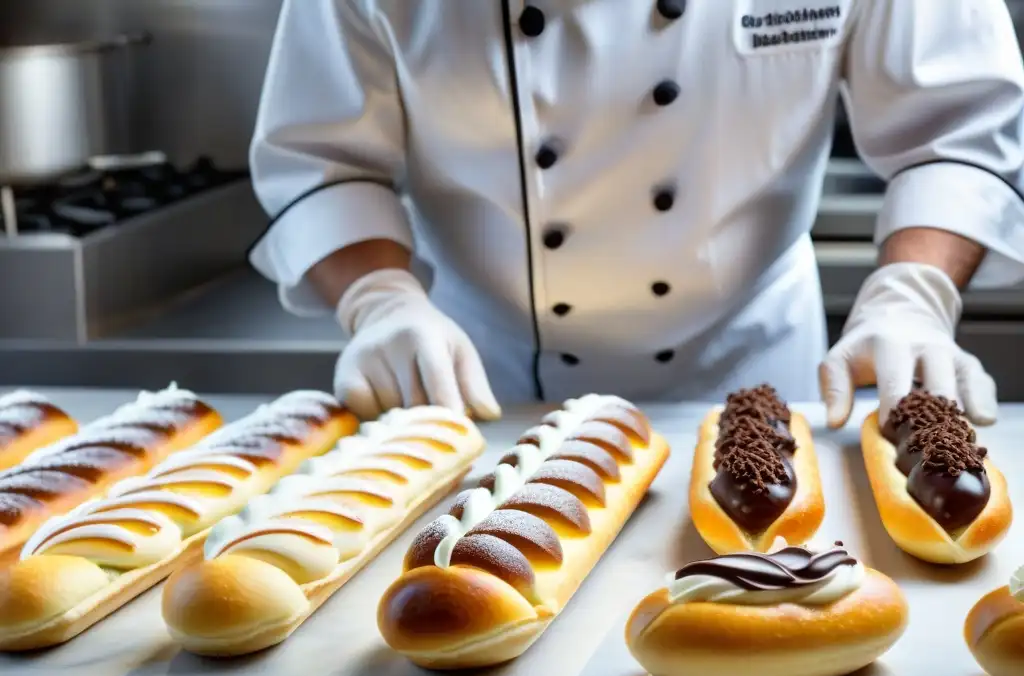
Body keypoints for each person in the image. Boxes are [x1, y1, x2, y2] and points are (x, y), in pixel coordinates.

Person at [248, 0, 1024, 427]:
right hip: (482, 387)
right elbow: (324, 158)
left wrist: (914, 295)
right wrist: (379, 303)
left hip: (759, 371)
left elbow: (955, 129)